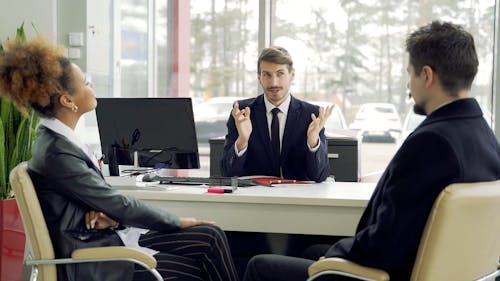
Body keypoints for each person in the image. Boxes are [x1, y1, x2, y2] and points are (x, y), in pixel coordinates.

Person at [242, 21, 500, 281]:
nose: (409, 86)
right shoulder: (487, 138)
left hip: (383, 273)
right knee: (311, 250)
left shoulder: (430, 143)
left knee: (259, 265)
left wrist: (335, 256)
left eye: (410, 74)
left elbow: (385, 243)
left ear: (427, 76)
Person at [0, 37, 239, 281]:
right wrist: (177, 221)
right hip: (95, 259)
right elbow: (117, 203)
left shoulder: (56, 140)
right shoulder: (58, 152)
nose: (91, 84)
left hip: (105, 236)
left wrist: (107, 215)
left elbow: (98, 202)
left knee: (209, 235)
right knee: (196, 271)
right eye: (85, 82)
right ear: (67, 100)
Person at [221, 46, 333, 182]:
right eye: (267, 75)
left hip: (298, 198)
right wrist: (242, 140)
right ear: (259, 77)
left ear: (292, 75)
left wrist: (313, 142)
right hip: (256, 198)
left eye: (280, 74)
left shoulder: (311, 115)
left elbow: (319, 176)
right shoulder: (242, 113)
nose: (273, 82)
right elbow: (227, 173)